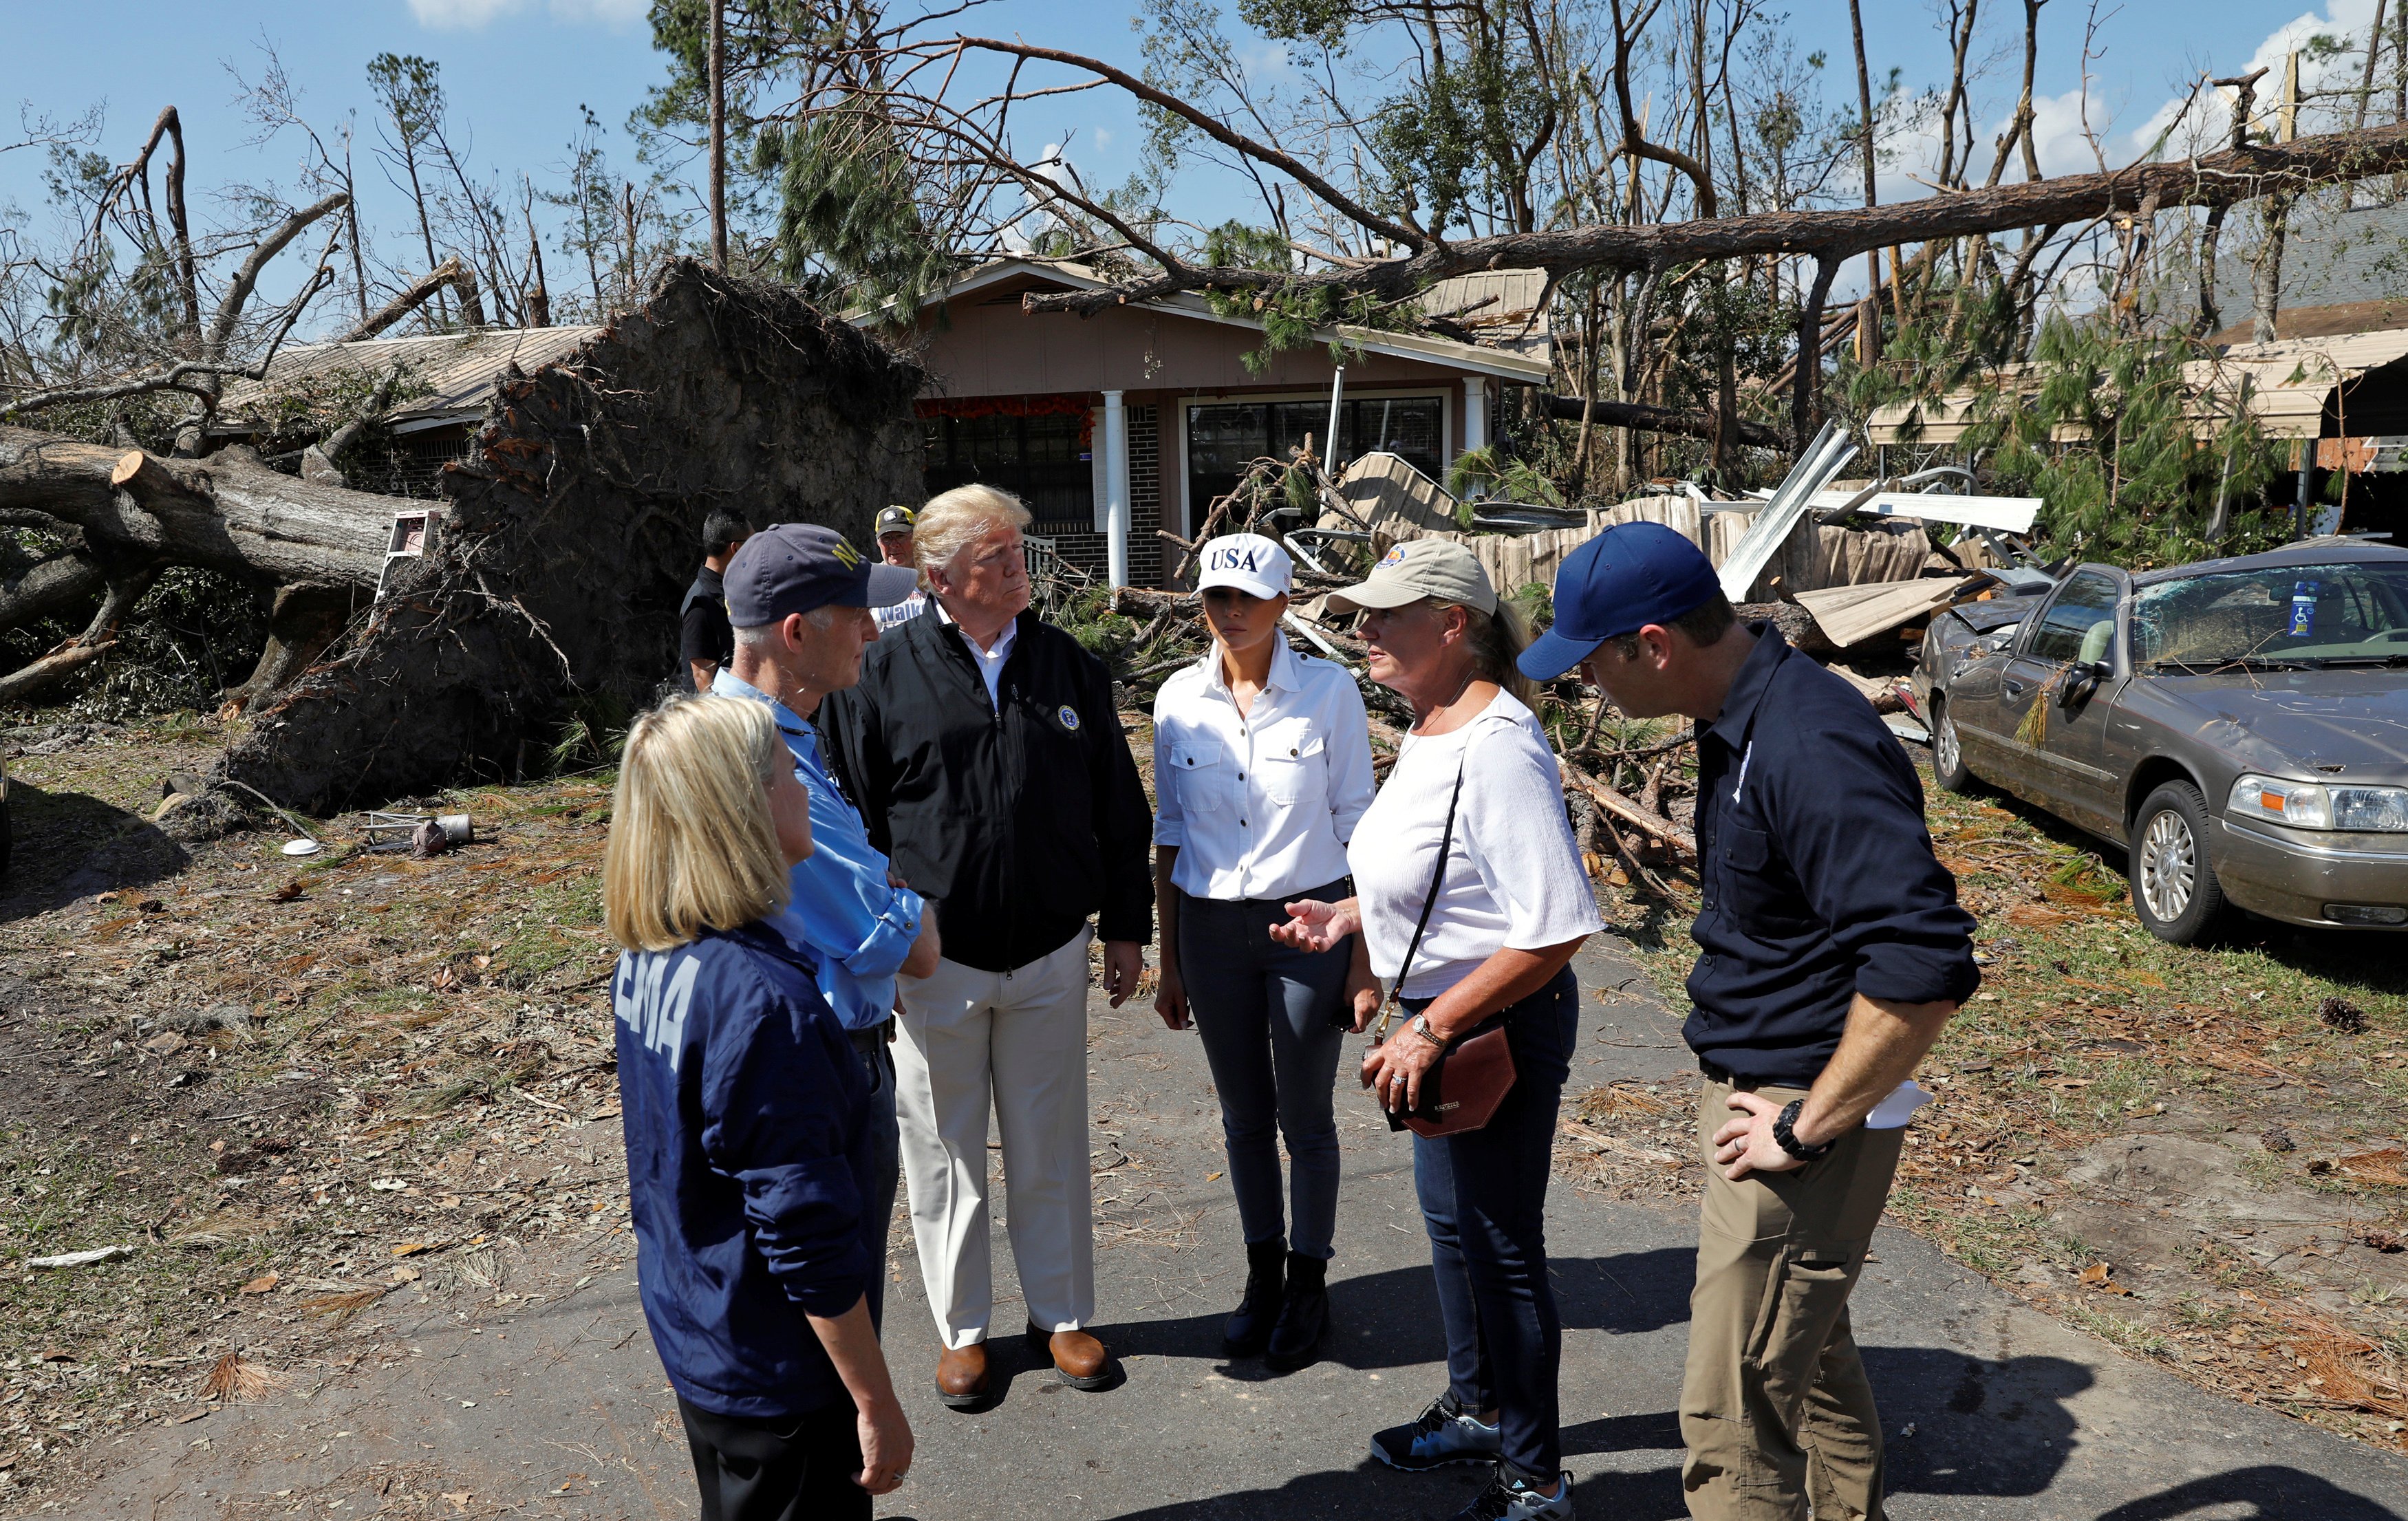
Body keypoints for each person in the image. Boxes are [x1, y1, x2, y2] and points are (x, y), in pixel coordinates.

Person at [1518, 523, 1979, 1521]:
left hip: (1800, 1115)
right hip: (1766, 1097)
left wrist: (1805, 1125)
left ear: (1651, 643)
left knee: (1730, 1420)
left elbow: (1924, 967)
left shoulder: (1808, 740)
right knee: (1806, 1353)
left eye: (1591, 661)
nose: (1584, 685)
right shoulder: (1742, 715)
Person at [1274, 539, 1601, 1521]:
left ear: (1453, 625)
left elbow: (1556, 927)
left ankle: (1537, 1477)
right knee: (1455, 1236)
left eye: (1385, 613)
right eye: (1361, 613)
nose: (1363, 629)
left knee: (1502, 1250)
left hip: (1491, 1029)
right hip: (1441, 1023)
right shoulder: (1431, 725)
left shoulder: (1497, 745)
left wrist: (1432, 1027)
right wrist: (1350, 919)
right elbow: (1439, 881)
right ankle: (1480, 1405)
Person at [818, 483, 1154, 1410]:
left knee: (1049, 1142)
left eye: (1018, 551)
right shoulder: (881, 676)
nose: (1019, 570)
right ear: (939, 579)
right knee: (943, 1149)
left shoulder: (1068, 667)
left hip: (1049, 953)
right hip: (936, 962)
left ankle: (1063, 1314)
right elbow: (853, 821)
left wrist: (1127, 922)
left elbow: (1119, 807)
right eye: (996, 559)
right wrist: (876, 943)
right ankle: (964, 1331)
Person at [603, 694, 913, 1520]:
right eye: (785, 775)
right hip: (777, 1375)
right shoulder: (763, 1003)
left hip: (699, 1324)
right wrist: (874, 1401)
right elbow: (803, 1235)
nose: (805, 790)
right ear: (738, 809)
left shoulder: (653, 953)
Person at [1152, 532, 1379, 1371]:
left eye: (1249, 598)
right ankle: (1261, 1274)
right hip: (1212, 936)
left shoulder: (1329, 693)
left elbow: (1361, 827)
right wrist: (1170, 962)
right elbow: (1170, 836)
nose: (1231, 612)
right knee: (1243, 1118)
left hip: (1307, 929)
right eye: (1217, 597)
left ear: (1285, 603)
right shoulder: (1177, 699)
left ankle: (1308, 1281)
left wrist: (1364, 959)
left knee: (1305, 1117)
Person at [715, 521, 943, 1317]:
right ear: (795, 631)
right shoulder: (757, 759)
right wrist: (900, 889)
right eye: (855, 614)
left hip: (817, 1052)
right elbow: (914, 947)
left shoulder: (774, 739)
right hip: (821, 1065)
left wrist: (886, 886)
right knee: (831, 1306)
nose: (873, 631)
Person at [682, 511, 752, 693]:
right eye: (752, 543)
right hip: (722, 717)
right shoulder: (701, 603)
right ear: (735, 548)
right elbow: (703, 680)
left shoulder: (733, 589)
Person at [872, 506, 929, 631]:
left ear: (916, 537)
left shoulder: (934, 577)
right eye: (886, 539)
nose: (894, 544)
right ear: (878, 543)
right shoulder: (869, 583)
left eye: (900, 536)